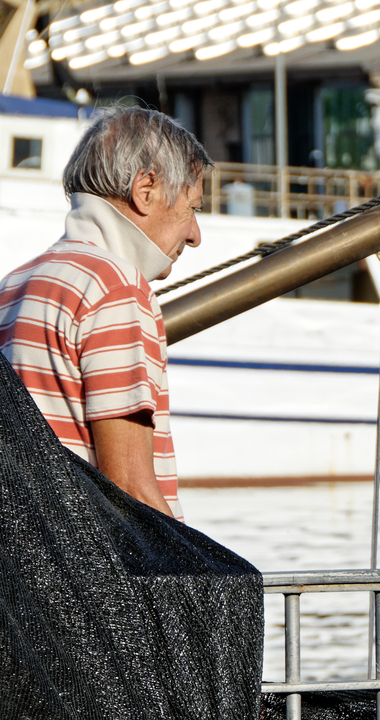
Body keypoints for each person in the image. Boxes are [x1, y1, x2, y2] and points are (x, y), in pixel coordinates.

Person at [0, 107, 209, 521]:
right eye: (193, 209)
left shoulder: (14, 284)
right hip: (86, 556)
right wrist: (195, 562)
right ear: (145, 189)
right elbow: (129, 490)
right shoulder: (116, 288)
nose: (194, 236)